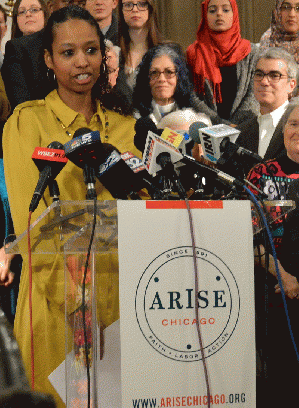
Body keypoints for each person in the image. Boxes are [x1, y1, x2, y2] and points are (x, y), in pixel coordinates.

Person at [1, 5, 140, 407]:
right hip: (55, 304)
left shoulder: (127, 127)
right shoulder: (27, 123)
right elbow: (31, 223)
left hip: (122, 304)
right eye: (68, 52)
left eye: (91, 50)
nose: (82, 62)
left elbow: (142, 210)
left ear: (104, 55)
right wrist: (78, 302)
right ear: (48, 59)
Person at [247, 101, 299, 408]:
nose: (298, 131)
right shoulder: (263, 174)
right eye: (293, 124)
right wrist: (283, 275)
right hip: (276, 291)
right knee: (280, 383)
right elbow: (248, 235)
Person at [1, 0, 86, 111]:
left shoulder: (70, 39)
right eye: (21, 12)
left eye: (34, 10)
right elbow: (21, 102)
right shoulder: (13, 48)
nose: (28, 14)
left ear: (45, 13)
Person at [186, 0, 259, 126]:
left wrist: (237, 125)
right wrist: (220, 124)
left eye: (225, 10)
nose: (219, 14)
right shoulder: (194, 52)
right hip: (206, 128)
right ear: (205, 15)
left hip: (245, 127)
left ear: (234, 14)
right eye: (213, 11)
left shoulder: (251, 52)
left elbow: (254, 93)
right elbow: (192, 96)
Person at [236, 47, 298, 173]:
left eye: (274, 75)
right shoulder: (241, 132)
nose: (264, 81)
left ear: (291, 85)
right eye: (259, 74)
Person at [133, 43, 216, 126]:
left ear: (179, 77)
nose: (161, 79)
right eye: (154, 72)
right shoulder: (133, 117)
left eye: (169, 72)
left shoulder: (197, 118)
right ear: (145, 78)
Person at [118, 0, 162, 90]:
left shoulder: (166, 52)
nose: (135, 9)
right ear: (121, 10)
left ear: (150, 8)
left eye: (142, 4)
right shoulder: (111, 51)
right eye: (128, 5)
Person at [260, 0, 299, 64]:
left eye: (298, 8)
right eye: (286, 7)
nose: (292, 14)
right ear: (278, 11)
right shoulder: (268, 40)